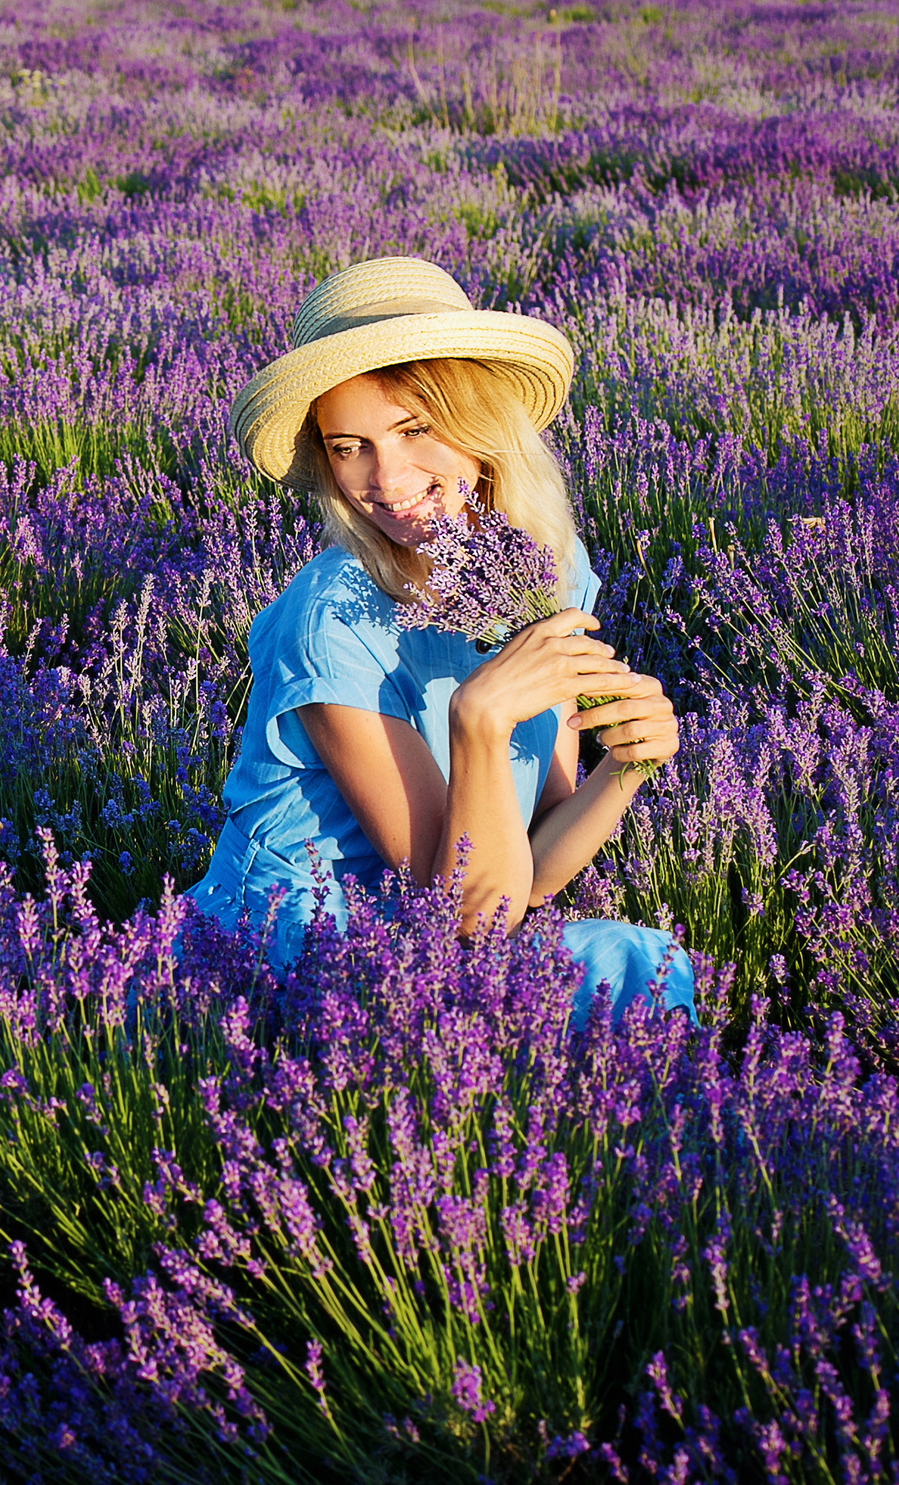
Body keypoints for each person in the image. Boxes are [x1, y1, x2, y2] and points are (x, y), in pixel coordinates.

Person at [186, 255, 693, 1024]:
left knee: (637, 968)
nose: (384, 479)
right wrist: (478, 725)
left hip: (450, 922)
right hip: (295, 950)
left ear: (477, 420)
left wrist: (624, 769)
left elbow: (529, 862)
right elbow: (458, 918)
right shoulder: (332, 618)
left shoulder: (546, 572)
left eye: (413, 427)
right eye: (349, 445)